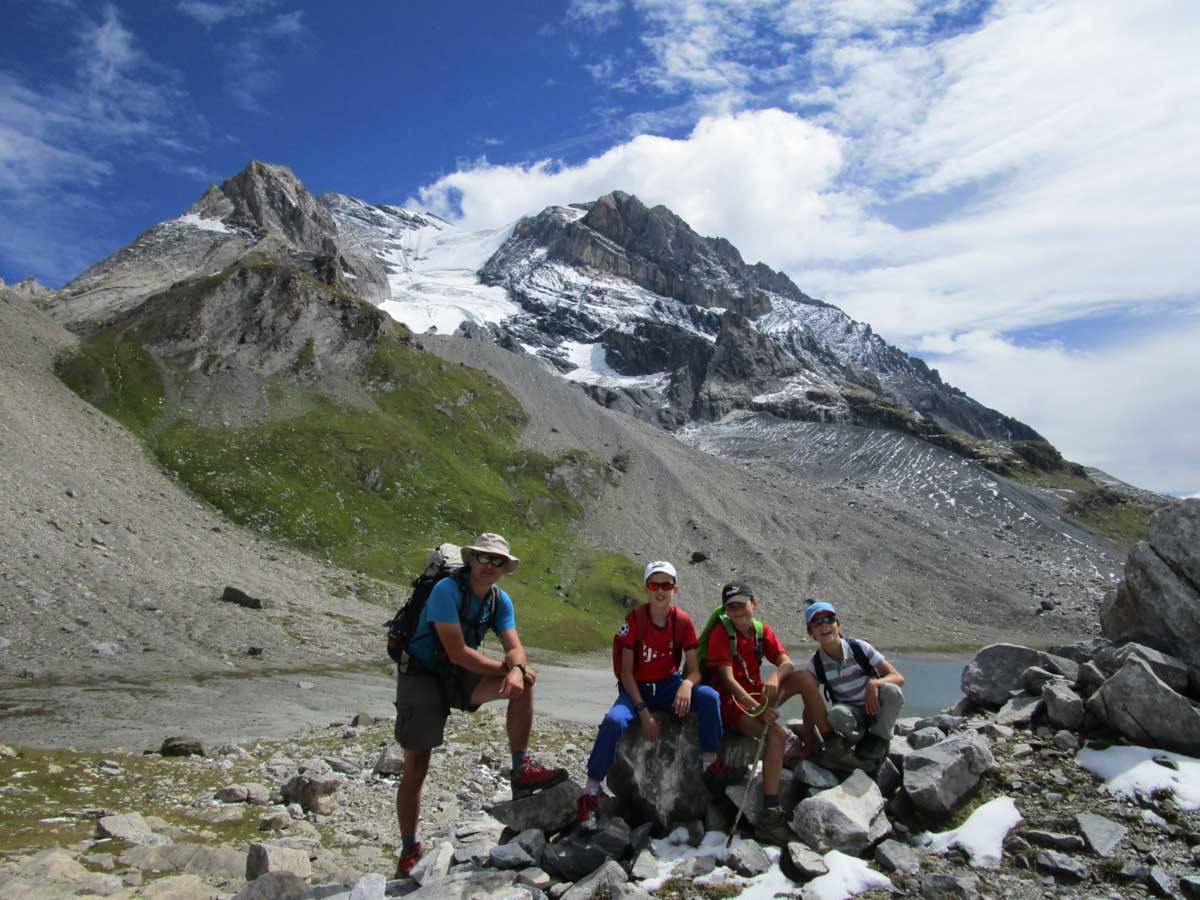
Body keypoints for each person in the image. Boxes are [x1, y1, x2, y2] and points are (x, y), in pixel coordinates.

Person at [393, 533, 567, 876]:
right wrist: (508, 669)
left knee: (525, 682)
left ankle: (521, 769)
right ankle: (409, 848)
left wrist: (517, 670)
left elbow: (514, 647)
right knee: (417, 766)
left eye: (497, 561)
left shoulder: (499, 600)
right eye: (484, 558)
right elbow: (457, 652)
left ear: (504, 568)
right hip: (422, 675)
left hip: (458, 676)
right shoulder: (446, 591)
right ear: (471, 559)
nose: (490, 565)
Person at [577, 560, 734, 828]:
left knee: (709, 697)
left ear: (675, 589)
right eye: (654, 585)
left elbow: (695, 670)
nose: (660, 590)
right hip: (637, 689)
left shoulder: (682, 621)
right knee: (614, 721)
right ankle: (590, 790)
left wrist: (686, 685)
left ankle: (710, 763)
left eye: (666, 585)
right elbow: (626, 673)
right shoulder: (635, 620)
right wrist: (644, 713)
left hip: (669, 685)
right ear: (646, 588)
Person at [704, 581, 806, 845]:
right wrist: (758, 710)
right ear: (725, 610)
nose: (738, 611)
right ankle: (770, 815)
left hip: (756, 697)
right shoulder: (721, 634)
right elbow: (728, 681)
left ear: (754, 604)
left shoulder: (761, 632)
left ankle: (825, 744)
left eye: (742, 604)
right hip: (733, 704)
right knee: (777, 736)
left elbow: (787, 662)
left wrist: (775, 676)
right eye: (731, 607)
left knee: (804, 680)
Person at [796, 600, 905, 768]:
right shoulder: (815, 665)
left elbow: (898, 677)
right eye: (817, 623)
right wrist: (807, 747)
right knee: (836, 714)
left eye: (829, 619)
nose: (825, 625)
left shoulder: (860, 648)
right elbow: (810, 705)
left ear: (838, 625)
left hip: (875, 708)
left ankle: (879, 739)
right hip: (851, 717)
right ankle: (861, 743)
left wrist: (874, 684)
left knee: (892, 691)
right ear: (811, 633)